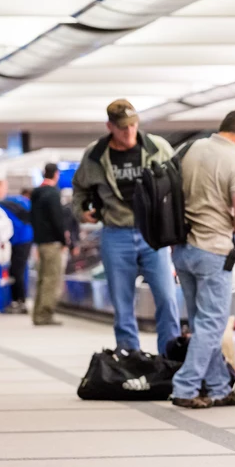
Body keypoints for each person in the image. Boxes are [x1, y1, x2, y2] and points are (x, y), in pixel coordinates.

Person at [72, 99, 180, 355]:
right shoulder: (95, 156)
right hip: (116, 233)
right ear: (110, 126)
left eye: (132, 125)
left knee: (166, 296)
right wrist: (81, 212)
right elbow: (79, 188)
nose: (129, 131)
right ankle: (130, 354)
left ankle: (171, 354)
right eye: (122, 127)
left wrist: (176, 227)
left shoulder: (157, 148)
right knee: (122, 303)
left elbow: (178, 184)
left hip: (153, 233)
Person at [169, 110, 235, 409]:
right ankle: (185, 386)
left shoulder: (192, 149)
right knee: (213, 323)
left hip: (183, 249)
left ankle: (219, 387)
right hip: (213, 249)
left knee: (200, 321)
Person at [30, 164, 67, 326]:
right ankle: (45, 314)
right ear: (56, 174)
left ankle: (37, 313)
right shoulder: (52, 194)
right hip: (52, 242)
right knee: (51, 278)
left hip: (39, 242)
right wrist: (64, 240)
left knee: (42, 278)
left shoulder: (36, 193)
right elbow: (57, 220)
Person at [0, 187, 34, 314]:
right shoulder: (23, 203)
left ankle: (19, 301)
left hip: (19, 240)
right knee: (18, 270)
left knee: (16, 271)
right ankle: (19, 300)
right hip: (25, 239)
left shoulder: (2, 206)